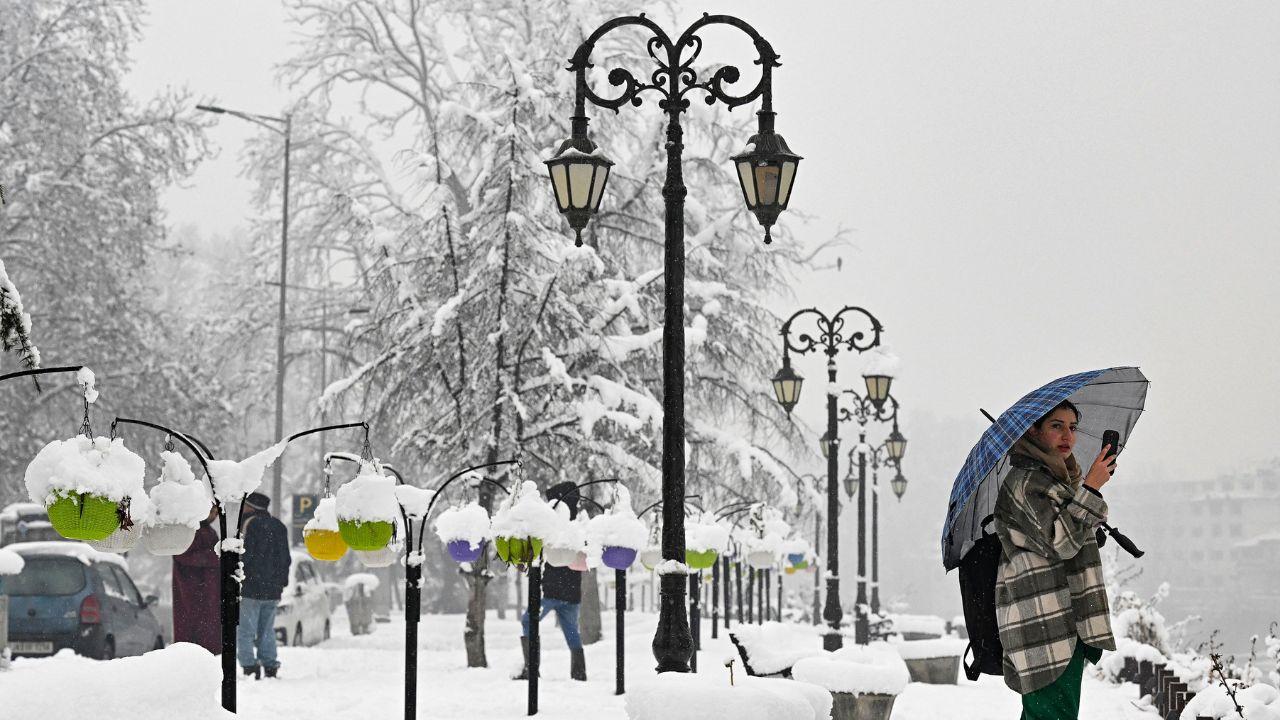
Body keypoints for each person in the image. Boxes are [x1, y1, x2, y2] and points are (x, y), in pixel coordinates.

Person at [994, 400, 1118, 720]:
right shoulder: (1027, 482)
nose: (1067, 436)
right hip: (1043, 618)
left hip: (1059, 616)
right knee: (1051, 716)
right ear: (1033, 431)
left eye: (1072, 428)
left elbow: (1060, 541)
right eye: (1056, 426)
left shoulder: (1056, 481)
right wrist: (1091, 487)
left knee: (1048, 715)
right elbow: (1061, 544)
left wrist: (1087, 519)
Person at [514, 481, 586, 682]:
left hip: (550, 592)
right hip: (572, 593)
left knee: (529, 621)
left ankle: (531, 667)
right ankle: (579, 673)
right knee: (572, 633)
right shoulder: (576, 525)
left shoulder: (554, 523)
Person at [236, 491, 291, 679]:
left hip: (251, 587)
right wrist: (281, 582)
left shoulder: (248, 524)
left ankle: (249, 666)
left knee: (246, 629)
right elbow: (286, 559)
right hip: (273, 590)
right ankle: (270, 665)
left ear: (251, 507)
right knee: (267, 630)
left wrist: (240, 577)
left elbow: (245, 555)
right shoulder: (279, 526)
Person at [172, 504, 221, 654]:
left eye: (216, 513)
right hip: (191, 590)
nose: (214, 516)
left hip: (207, 592)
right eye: (211, 511)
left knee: (204, 632)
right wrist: (215, 557)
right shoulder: (190, 531)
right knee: (193, 632)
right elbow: (182, 555)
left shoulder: (209, 531)